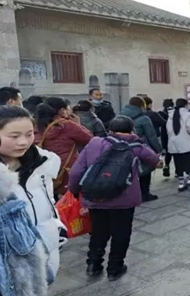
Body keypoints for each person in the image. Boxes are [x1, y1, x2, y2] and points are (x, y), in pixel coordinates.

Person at [68, 116, 161, 281]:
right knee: (121, 233)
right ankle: (115, 268)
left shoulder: (95, 143)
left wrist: (75, 191)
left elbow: (76, 172)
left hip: (95, 196)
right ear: (131, 129)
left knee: (98, 231)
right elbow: (154, 160)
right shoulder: (136, 146)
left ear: (109, 130)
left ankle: (93, 264)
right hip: (123, 200)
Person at [0, 105, 64, 296]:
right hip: (5, 277)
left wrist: (57, 228)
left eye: (29, 134)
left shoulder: (42, 163)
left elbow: (49, 202)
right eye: (14, 136)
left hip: (42, 261)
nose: (23, 142)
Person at [35, 97, 93, 197]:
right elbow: (90, 140)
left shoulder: (37, 125)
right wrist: (78, 124)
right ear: (62, 110)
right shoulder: (67, 125)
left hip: (44, 170)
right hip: (65, 171)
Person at [122, 96, 162, 202]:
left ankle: (133, 192)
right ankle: (145, 194)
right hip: (141, 147)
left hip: (125, 147)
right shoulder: (144, 118)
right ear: (142, 105)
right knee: (145, 170)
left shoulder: (121, 115)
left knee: (131, 171)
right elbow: (151, 136)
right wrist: (158, 150)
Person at [167, 98, 190, 192]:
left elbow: (168, 130)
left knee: (178, 163)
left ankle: (181, 182)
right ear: (186, 105)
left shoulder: (170, 116)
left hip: (174, 144)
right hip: (188, 143)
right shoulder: (189, 115)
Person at [159, 99, 174, 177]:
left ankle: (167, 165)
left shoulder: (161, 114)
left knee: (168, 152)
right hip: (173, 134)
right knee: (175, 152)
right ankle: (177, 171)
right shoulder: (174, 113)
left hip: (164, 134)